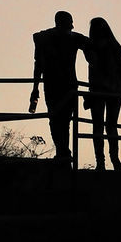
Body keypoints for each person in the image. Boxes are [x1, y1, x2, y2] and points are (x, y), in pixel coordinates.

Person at [29, 10, 91, 166]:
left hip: (54, 84)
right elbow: (94, 49)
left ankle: (62, 152)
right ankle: (63, 153)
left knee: (56, 120)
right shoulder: (73, 38)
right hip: (66, 85)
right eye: (70, 22)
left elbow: (38, 64)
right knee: (63, 121)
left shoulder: (43, 37)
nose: (72, 25)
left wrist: (35, 87)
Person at [86, 17, 121, 172]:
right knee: (111, 126)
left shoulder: (91, 47)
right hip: (114, 91)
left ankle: (101, 162)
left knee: (98, 127)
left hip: (99, 91)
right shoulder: (114, 46)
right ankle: (115, 160)